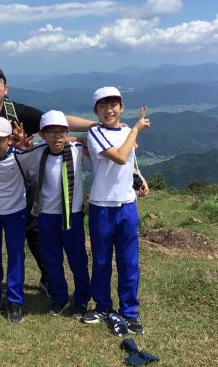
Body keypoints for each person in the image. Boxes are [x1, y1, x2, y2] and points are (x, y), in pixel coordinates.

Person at [0, 66, 95, 303]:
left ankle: (47, 276)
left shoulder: (18, 112)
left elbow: (56, 121)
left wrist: (94, 127)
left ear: (5, 88)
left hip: (22, 176)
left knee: (33, 228)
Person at [81, 87, 151, 336]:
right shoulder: (96, 133)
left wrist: (139, 178)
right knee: (101, 261)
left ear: (121, 107)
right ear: (95, 111)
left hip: (127, 205)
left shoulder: (126, 132)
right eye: (103, 105)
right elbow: (120, 157)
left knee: (129, 262)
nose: (108, 110)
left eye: (113, 104)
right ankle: (103, 306)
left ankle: (129, 312)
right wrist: (136, 129)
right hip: (102, 205)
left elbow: (129, 162)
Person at [27, 110, 91, 319]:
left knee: (77, 259)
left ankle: (82, 299)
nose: (57, 136)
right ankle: (59, 296)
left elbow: (95, 140)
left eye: (61, 131)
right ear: (42, 134)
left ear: (67, 132)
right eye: (51, 131)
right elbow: (23, 164)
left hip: (72, 214)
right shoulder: (37, 153)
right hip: (47, 215)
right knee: (52, 259)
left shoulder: (77, 150)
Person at [0, 117, 39, 323]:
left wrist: (26, 145)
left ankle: (14, 300)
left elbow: (34, 157)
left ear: (9, 140)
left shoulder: (20, 156)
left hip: (15, 213)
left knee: (16, 255)